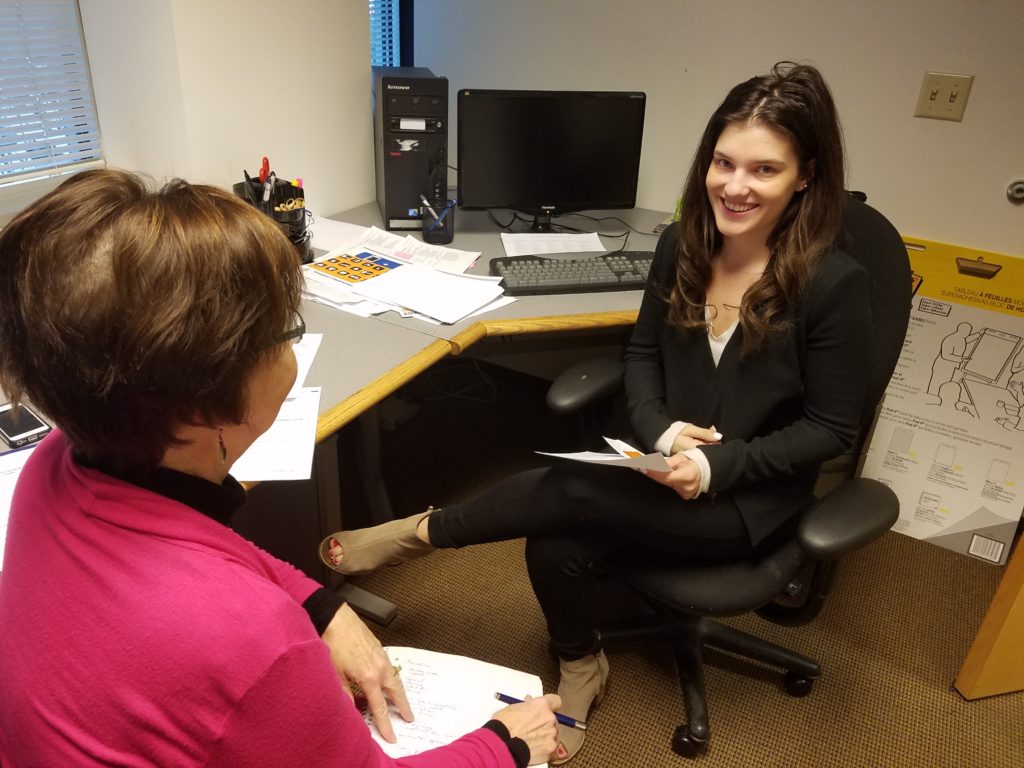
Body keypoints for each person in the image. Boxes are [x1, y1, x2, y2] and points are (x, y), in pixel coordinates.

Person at [317, 61, 873, 765]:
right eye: (723, 162)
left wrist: (713, 464)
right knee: (553, 543)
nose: (735, 186)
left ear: (805, 176)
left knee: (568, 488)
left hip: (745, 502)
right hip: (660, 469)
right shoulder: (683, 247)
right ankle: (581, 664)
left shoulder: (832, 285)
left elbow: (830, 430)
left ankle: (420, 532)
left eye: (763, 170)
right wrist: (667, 432)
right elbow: (641, 357)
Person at [0, 170, 560, 767]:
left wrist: (325, 608)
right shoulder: (249, 639)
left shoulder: (55, 460)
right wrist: (504, 744)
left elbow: (216, 549)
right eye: (285, 331)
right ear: (205, 404)